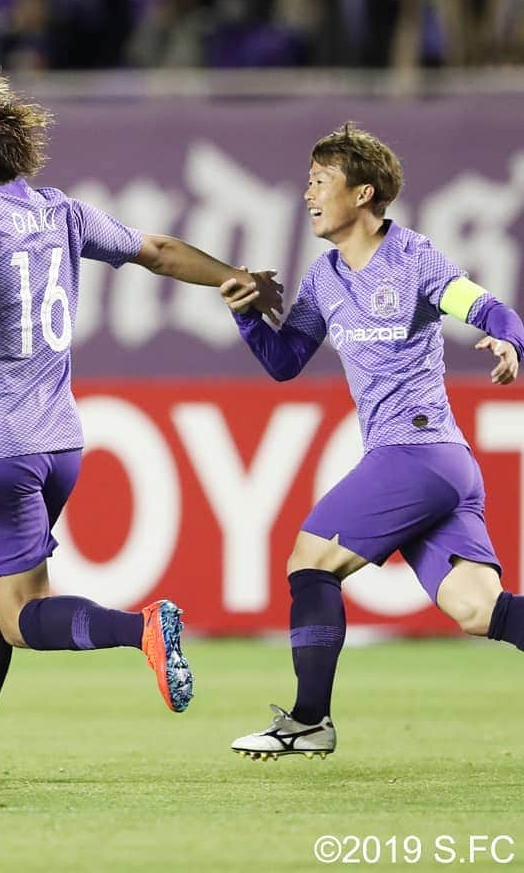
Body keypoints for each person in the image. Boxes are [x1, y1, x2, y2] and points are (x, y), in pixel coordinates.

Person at [0, 75, 281, 781]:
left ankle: (142, 627)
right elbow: (154, 248)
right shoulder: (57, 210)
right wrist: (233, 276)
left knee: (18, 615)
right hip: (62, 441)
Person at [224, 123, 524, 761]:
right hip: (438, 466)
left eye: (320, 181)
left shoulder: (415, 258)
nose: (307, 193)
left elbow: (490, 307)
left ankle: (308, 720)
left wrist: (507, 339)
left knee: (310, 561)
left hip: (417, 451)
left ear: (362, 194)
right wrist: (248, 313)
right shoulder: (326, 277)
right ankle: (309, 720)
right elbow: (285, 361)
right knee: (477, 610)